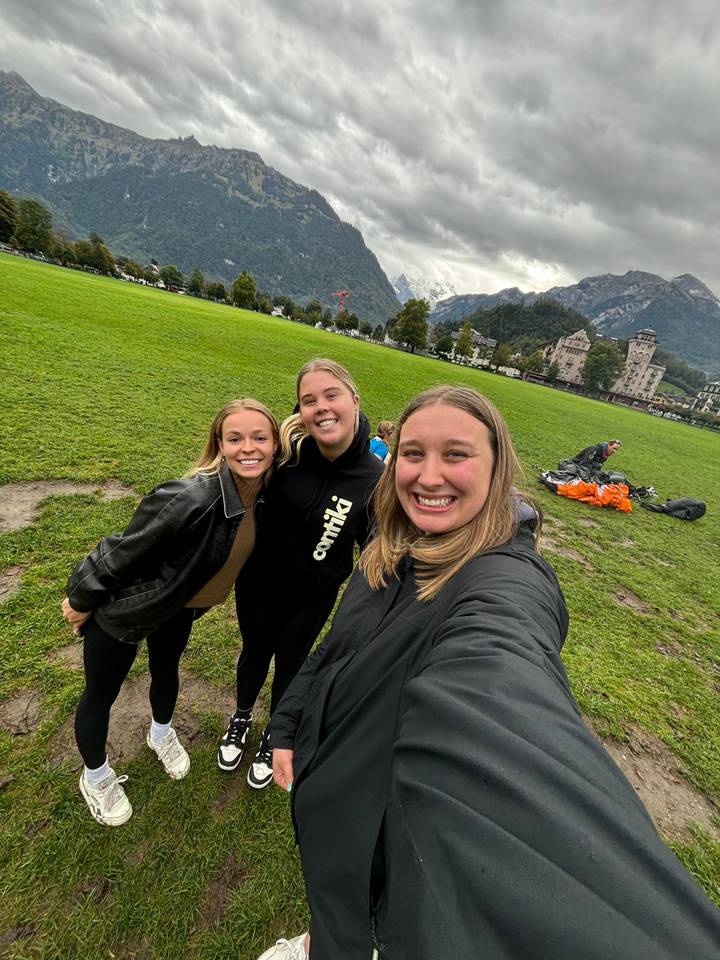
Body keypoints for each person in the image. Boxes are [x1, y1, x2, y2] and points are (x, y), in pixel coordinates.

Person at [258, 386, 719, 960]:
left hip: (382, 826)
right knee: (335, 907)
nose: (428, 477)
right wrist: (290, 721)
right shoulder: (393, 542)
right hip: (331, 788)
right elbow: (339, 643)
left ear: (498, 467)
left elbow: (501, 681)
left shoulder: (503, 578)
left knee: (361, 922)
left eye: (456, 454)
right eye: (413, 453)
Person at [62, 398, 279, 827]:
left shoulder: (266, 496)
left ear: (275, 444)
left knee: (166, 670)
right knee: (100, 695)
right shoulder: (191, 496)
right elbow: (125, 549)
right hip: (127, 611)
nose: (248, 447)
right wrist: (82, 598)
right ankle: (96, 776)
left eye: (260, 437)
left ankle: (160, 732)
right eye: (234, 438)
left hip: (180, 608)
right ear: (219, 443)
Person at [217, 359, 384, 789]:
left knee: (290, 663)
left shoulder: (375, 479)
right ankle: (241, 716)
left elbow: (375, 552)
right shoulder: (286, 455)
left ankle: (277, 731)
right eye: (309, 400)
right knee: (254, 653)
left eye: (331, 395)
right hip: (257, 585)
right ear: (300, 409)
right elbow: (233, 479)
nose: (322, 408)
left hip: (312, 596)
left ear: (354, 401)